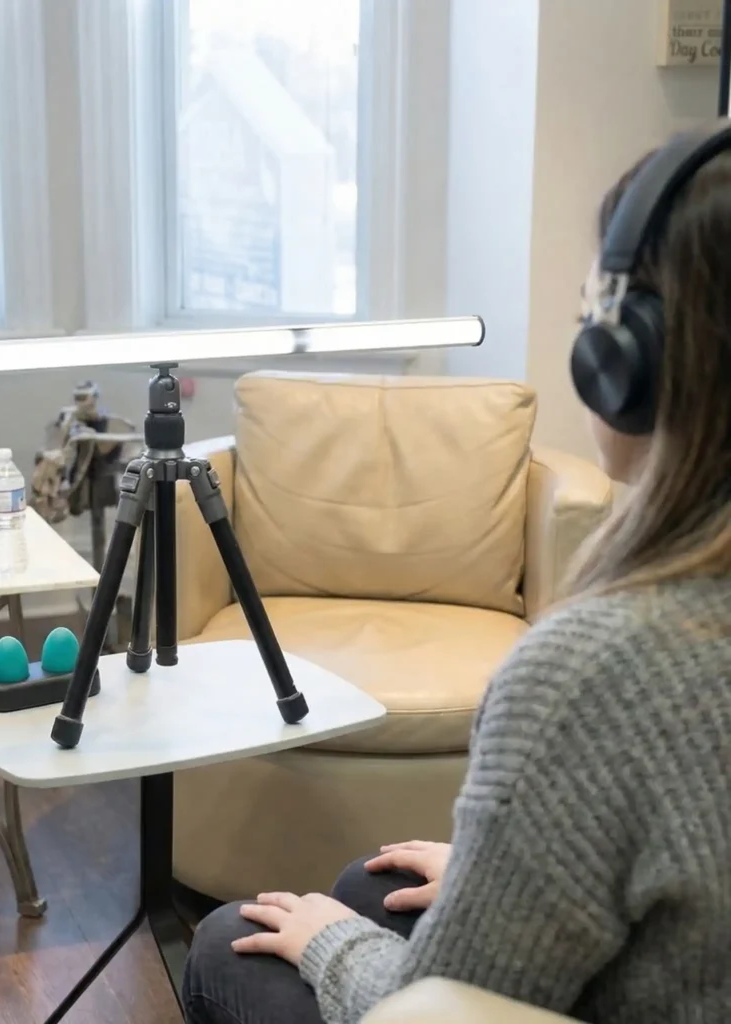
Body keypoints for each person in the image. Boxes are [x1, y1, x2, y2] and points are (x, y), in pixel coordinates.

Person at [182, 126, 731, 1024]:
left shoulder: (599, 670)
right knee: (375, 881)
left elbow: (433, 1009)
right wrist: (500, 885)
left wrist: (331, 942)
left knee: (223, 945)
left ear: (630, 358)